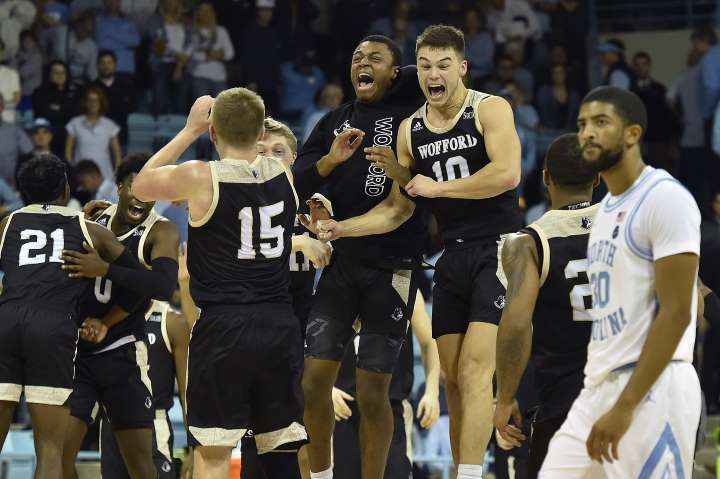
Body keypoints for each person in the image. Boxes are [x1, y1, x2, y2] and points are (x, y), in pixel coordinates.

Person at [316, 25, 523, 479]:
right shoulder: (410, 131)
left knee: (472, 370)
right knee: (451, 377)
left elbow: (507, 174)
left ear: (462, 68)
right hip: (450, 255)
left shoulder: (489, 108)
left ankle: (468, 475)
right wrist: (341, 229)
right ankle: (462, 468)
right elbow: (396, 208)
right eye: (426, 65)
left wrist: (438, 186)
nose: (434, 74)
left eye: (444, 65)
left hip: (500, 249)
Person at [131, 89, 306, 478]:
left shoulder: (199, 176)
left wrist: (190, 129)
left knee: (213, 454)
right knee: (281, 453)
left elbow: (141, 186)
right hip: (279, 323)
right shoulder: (283, 173)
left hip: (225, 326)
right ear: (261, 133)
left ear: (213, 133)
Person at [539, 86, 702, 477]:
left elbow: (679, 311)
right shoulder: (609, 207)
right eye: (581, 125)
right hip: (597, 386)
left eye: (600, 122)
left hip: (653, 387)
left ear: (632, 134)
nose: (587, 133)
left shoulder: (665, 198)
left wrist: (626, 404)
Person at [291, 35, 428, 479]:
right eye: (355, 58)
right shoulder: (332, 120)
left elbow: (400, 207)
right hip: (342, 262)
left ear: (394, 72)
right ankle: (321, 476)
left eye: (375, 59)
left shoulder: (413, 115)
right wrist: (328, 167)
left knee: (375, 394)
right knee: (313, 383)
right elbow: (298, 179)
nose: (362, 64)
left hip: (393, 265)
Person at [0, 154, 128, 479]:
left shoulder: (8, 223)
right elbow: (138, 274)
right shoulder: (86, 227)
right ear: (66, 187)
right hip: (52, 326)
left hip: (6, 321)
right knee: (50, 449)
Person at [59, 154, 180, 479]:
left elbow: (164, 287)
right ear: (120, 186)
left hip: (124, 353)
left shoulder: (162, 232)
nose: (142, 196)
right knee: (57, 459)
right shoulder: (94, 220)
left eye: (151, 189)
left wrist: (105, 269)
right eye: (135, 186)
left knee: (141, 466)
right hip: (80, 355)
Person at [493, 133, 599, 478]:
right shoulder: (629, 226)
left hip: (566, 400)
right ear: (597, 178)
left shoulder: (528, 243)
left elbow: (516, 326)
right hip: (631, 390)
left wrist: (504, 398)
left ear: (545, 177)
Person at [240, 117, 332, 479]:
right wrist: (298, 242)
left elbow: (337, 256)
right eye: (260, 151)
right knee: (256, 438)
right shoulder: (241, 199)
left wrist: (328, 233)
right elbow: (240, 248)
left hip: (302, 320)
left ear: (295, 158)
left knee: (299, 430)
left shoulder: (313, 202)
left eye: (278, 152)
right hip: (253, 318)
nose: (269, 158)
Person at [332, 292, 440, 479]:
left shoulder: (408, 284)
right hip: (344, 409)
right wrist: (325, 390)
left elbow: (429, 343)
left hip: (392, 406)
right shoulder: (337, 278)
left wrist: (432, 391)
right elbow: (309, 340)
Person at [99, 299, 190, 478]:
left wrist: (193, 449)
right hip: (110, 424)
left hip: (153, 422)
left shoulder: (171, 321)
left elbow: (187, 393)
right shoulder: (104, 319)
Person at [65, 86, 122, 182]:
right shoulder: (74, 123)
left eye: (96, 100)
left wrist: (116, 174)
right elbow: (68, 151)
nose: (93, 104)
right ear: (85, 102)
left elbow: (117, 154)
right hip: (81, 176)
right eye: (90, 100)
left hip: (105, 177)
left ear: (101, 103)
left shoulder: (110, 125)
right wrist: (74, 171)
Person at [91, 49, 138, 146]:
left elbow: (132, 106)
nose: (106, 66)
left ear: (115, 65)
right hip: (96, 136)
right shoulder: (91, 87)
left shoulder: (126, 86)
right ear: (97, 65)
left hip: (120, 135)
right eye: (102, 63)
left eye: (109, 62)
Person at [32, 60, 78, 156]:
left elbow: (75, 115)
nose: (59, 75)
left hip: (69, 141)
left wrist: (56, 109)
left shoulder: (75, 93)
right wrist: (63, 110)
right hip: (46, 142)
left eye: (62, 72)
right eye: (55, 72)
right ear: (49, 74)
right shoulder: (39, 93)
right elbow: (45, 114)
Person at [190, 2, 234, 99]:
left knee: (220, 112)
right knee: (202, 111)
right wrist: (218, 54)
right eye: (202, 10)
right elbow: (194, 55)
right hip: (200, 76)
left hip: (219, 77)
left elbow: (230, 53)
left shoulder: (221, 31)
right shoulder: (193, 32)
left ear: (213, 13)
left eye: (208, 10)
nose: (205, 13)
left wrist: (206, 53)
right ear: (198, 13)